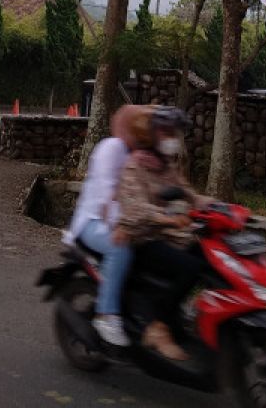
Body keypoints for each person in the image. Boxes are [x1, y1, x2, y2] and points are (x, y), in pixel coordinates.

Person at [114, 106, 203, 361]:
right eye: (166, 132)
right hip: (143, 240)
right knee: (189, 268)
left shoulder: (166, 166)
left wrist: (222, 208)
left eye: (173, 132)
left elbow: (190, 194)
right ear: (151, 134)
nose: (171, 138)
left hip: (168, 237)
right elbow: (135, 210)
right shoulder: (135, 166)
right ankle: (158, 326)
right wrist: (168, 219)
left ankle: (188, 316)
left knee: (206, 255)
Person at [64, 104, 153, 347]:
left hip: (123, 222)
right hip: (92, 223)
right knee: (120, 247)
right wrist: (122, 225)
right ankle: (106, 314)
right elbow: (107, 195)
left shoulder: (137, 154)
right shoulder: (112, 148)